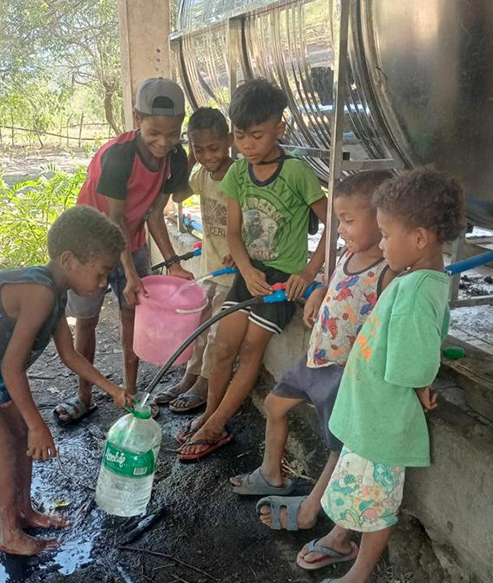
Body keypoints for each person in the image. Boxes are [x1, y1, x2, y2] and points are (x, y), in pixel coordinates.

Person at [303, 167, 465, 583]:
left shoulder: (416, 291)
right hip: (372, 411)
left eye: (388, 234)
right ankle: (341, 540)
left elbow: (412, 363)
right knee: (361, 490)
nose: (383, 243)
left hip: (384, 417)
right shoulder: (417, 280)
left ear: (418, 238)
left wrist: (419, 386)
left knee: (376, 506)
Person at [230, 170, 394, 535]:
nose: (341, 230)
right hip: (315, 359)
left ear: (383, 219)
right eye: (339, 221)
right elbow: (338, 285)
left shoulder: (388, 273)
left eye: (349, 221)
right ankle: (272, 473)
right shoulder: (347, 255)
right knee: (274, 405)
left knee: (340, 446)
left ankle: (310, 509)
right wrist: (319, 291)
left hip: (343, 374)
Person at [177, 78, 328, 460]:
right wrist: (244, 270)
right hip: (249, 275)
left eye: (257, 136)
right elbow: (232, 231)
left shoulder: (297, 173)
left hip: (281, 282)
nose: (247, 146)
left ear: (280, 128)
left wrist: (308, 274)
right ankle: (212, 414)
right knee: (223, 344)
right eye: (241, 137)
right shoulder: (238, 175)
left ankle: (215, 426)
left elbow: (334, 224)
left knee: (249, 349)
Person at [0, 206, 134, 556]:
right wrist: (38, 422)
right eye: (101, 273)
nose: (103, 283)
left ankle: (24, 511)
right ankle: (9, 532)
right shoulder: (39, 293)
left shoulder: (54, 293)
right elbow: (13, 368)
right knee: (4, 447)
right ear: (70, 260)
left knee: (21, 436)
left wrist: (112, 389)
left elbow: (69, 355)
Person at [55, 78, 192, 425]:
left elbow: (155, 214)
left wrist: (172, 264)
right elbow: (114, 217)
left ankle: (130, 394)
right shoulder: (118, 156)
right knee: (86, 320)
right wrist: (130, 273)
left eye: (173, 133)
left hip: (133, 240)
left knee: (134, 315)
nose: (164, 142)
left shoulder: (176, 158)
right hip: (90, 243)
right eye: (155, 132)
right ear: (137, 119)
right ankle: (83, 396)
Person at [154, 107, 235, 413]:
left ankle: (205, 381)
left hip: (232, 272)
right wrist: (190, 158)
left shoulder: (238, 176)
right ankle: (191, 374)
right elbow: (176, 196)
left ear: (228, 140)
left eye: (213, 148)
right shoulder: (202, 175)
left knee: (216, 332)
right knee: (200, 326)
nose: (207, 155)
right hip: (210, 268)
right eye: (199, 149)